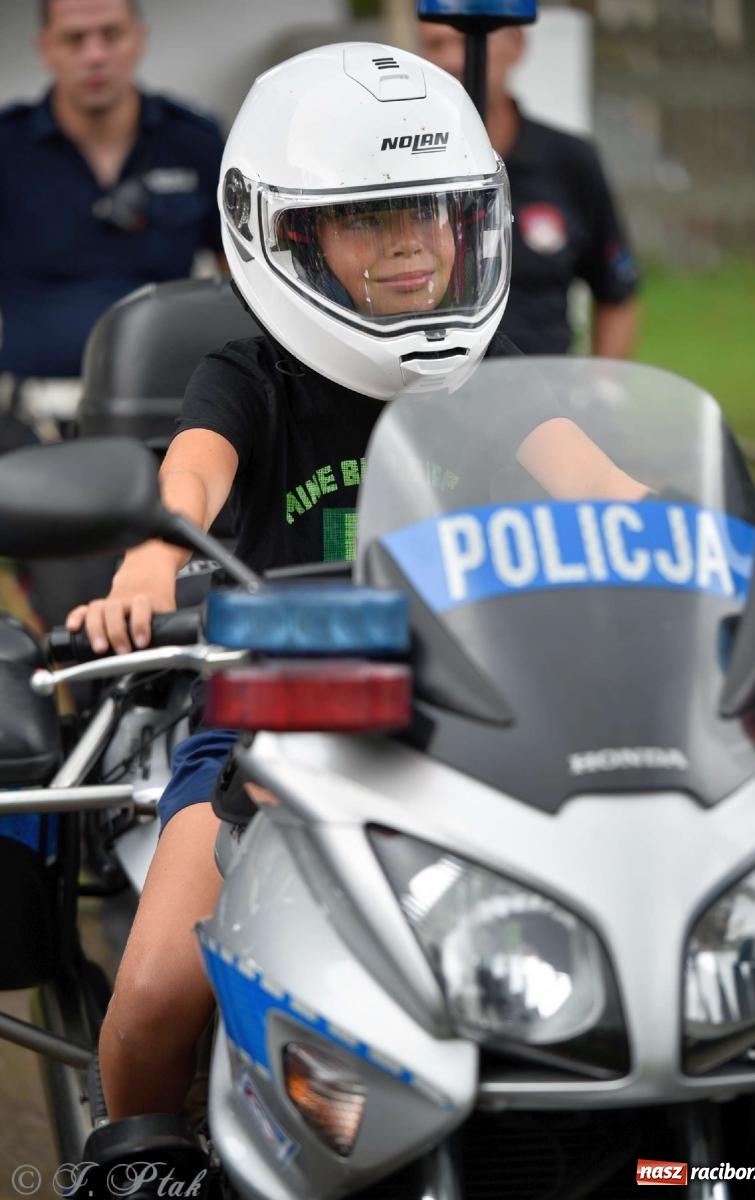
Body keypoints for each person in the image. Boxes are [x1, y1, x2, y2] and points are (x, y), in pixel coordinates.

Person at [65, 42, 647, 1122]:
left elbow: (606, 486)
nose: (412, 245)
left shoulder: (492, 374)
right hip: (276, 724)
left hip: (482, 724)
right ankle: (148, 1164)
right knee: (153, 999)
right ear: (289, 238)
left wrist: (713, 547)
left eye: (431, 214)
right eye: (369, 219)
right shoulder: (248, 377)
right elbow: (189, 477)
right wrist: (153, 551)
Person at [0, 0, 225, 386]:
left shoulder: (194, 141)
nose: (95, 55)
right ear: (45, 48)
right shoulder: (7, 146)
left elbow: (239, 272)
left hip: (171, 397)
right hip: (30, 408)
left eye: (111, 34)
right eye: (74, 39)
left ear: (138, 39)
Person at [418, 22, 640, 357]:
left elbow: (616, 291)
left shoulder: (570, 160)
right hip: (439, 398)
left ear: (516, 43)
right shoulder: (406, 169)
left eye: (467, 40)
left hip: (549, 397)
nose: (452, 60)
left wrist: (601, 393)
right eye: (435, 44)